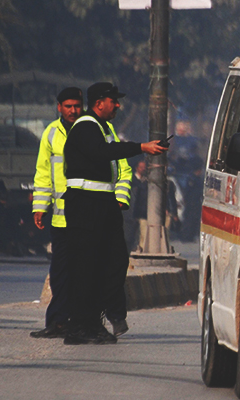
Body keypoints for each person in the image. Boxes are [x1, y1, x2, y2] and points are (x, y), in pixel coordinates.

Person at [62, 82, 168, 345]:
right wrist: (141, 147)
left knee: (114, 261)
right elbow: (102, 153)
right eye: (113, 101)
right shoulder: (86, 125)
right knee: (87, 266)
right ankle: (80, 326)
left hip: (102, 204)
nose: (118, 105)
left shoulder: (102, 127)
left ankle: (95, 320)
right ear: (99, 103)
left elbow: (111, 155)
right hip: (86, 205)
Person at [29, 87, 83, 339]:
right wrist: (40, 206)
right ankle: (57, 322)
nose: (73, 110)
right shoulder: (50, 133)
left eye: (77, 106)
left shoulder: (92, 129)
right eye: (68, 106)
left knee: (83, 271)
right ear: (59, 107)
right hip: (61, 218)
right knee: (59, 272)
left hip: (87, 217)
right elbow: (42, 173)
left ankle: (82, 321)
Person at [131, 160, 148, 251]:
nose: (143, 169)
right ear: (137, 168)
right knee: (131, 233)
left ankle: (141, 249)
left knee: (143, 232)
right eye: (141, 167)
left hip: (142, 212)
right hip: (132, 212)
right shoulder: (132, 179)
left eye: (144, 167)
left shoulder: (146, 181)